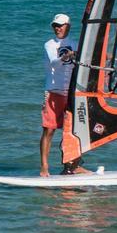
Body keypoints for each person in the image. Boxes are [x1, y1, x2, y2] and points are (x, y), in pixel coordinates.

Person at [40, 13, 89, 176]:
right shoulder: (49, 45)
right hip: (54, 92)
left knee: (75, 131)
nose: (57, 28)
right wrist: (66, 56)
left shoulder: (76, 44)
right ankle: (44, 167)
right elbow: (54, 61)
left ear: (68, 26)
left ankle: (73, 165)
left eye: (60, 25)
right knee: (49, 130)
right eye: (55, 25)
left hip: (72, 94)